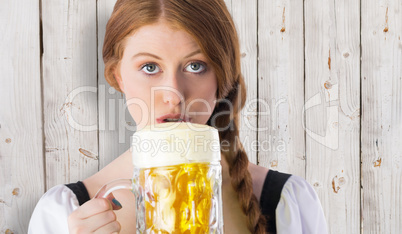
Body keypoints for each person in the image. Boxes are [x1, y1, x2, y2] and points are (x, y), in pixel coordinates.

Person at [28, 0, 328, 233]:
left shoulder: (285, 201)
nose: (174, 94)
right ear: (118, 76)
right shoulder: (65, 214)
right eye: (149, 67)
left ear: (222, 78)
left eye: (196, 66)